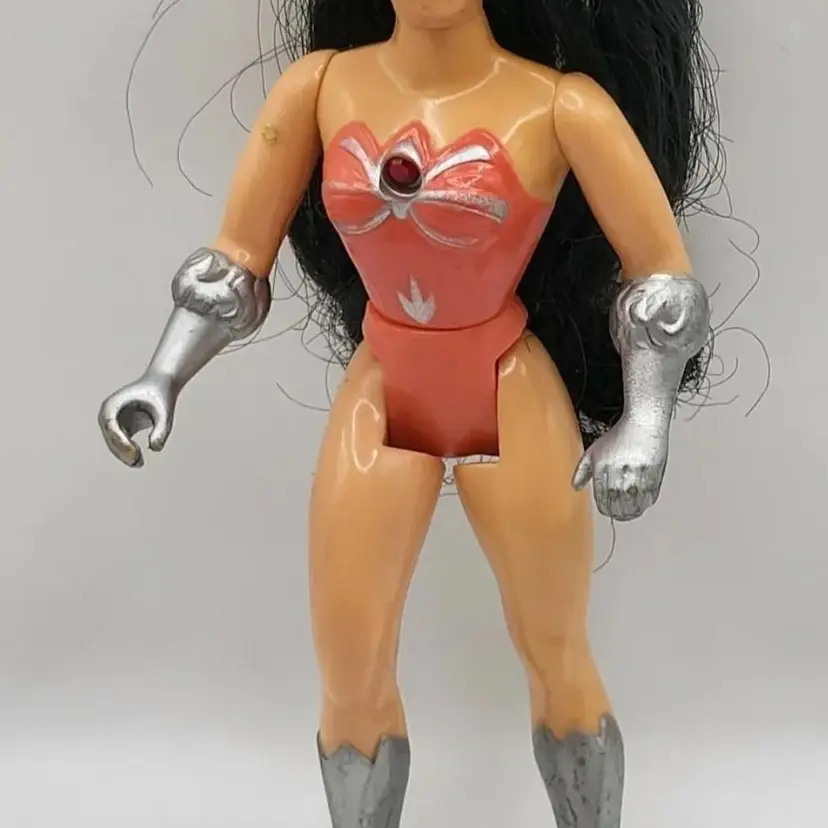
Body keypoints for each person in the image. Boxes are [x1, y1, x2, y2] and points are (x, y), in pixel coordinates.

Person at [99, 1, 716, 825]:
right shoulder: (319, 89)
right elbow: (235, 261)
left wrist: (647, 420)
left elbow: (662, 281)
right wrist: (162, 373)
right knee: (349, 663)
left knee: (556, 649)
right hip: (384, 387)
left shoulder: (562, 106)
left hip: (508, 388)